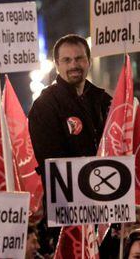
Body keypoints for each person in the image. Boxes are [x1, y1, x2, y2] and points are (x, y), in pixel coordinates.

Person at [29, 34, 112, 178]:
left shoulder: (104, 101)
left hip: (108, 191)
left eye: (79, 58)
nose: (74, 65)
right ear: (57, 65)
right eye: (67, 60)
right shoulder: (44, 105)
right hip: (67, 197)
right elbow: (49, 161)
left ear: (89, 62)